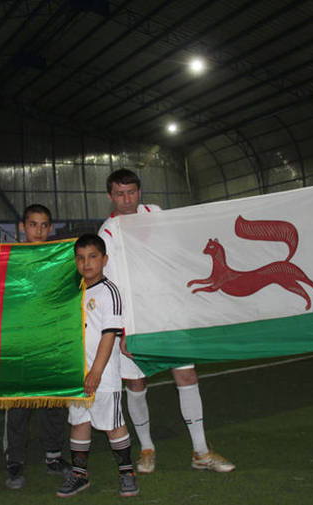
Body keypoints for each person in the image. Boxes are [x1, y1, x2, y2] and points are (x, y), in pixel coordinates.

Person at [98, 169, 234, 474]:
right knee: (136, 383)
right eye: (120, 194)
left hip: (170, 314)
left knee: (187, 376)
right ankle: (147, 448)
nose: (126, 199)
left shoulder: (156, 214)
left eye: (131, 192)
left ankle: (201, 451)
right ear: (110, 196)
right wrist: (123, 331)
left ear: (139, 192)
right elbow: (112, 286)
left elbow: (178, 251)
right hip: (135, 321)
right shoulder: (107, 234)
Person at [56, 234, 138, 498]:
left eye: (92, 257)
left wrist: (96, 372)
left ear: (104, 259)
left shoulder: (109, 291)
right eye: (80, 258)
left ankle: (127, 473)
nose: (86, 263)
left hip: (103, 375)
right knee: (79, 422)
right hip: (77, 374)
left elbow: (109, 334)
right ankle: (79, 475)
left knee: (113, 423)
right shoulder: (73, 291)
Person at [3, 205, 71, 489]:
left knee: (53, 403)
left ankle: (53, 456)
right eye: (33, 224)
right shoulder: (9, 257)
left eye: (44, 225)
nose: (39, 230)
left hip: (50, 343)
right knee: (18, 407)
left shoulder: (59, 258)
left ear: (50, 228)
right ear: (22, 227)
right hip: (19, 345)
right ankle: (15, 463)